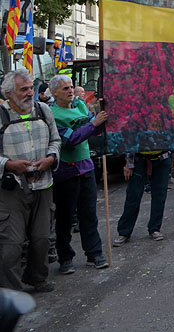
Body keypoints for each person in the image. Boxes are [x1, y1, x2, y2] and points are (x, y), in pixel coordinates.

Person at [0, 69, 61, 292]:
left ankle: (37, 278)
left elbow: (56, 140)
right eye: (23, 89)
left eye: (30, 88)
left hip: (43, 184)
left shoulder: (44, 110)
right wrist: (9, 165)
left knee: (42, 238)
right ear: (8, 93)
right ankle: (11, 291)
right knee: (12, 243)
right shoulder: (1, 115)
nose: (29, 93)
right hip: (11, 190)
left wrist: (51, 158)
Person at [48, 75, 109, 274]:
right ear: (54, 92)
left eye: (71, 87)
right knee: (65, 218)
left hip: (86, 167)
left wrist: (102, 114)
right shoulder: (52, 115)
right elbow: (71, 139)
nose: (70, 91)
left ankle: (94, 253)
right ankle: (65, 258)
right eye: (65, 88)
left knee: (89, 214)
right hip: (66, 171)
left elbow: (94, 127)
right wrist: (93, 124)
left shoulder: (81, 105)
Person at [113, 149, 174, 246]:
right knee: (133, 197)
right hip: (139, 160)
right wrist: (128, 163)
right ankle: (124, 232)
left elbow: (171, 139)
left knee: (159, 196)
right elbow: (130, 141)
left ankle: (155, 228)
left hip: (162, 158)